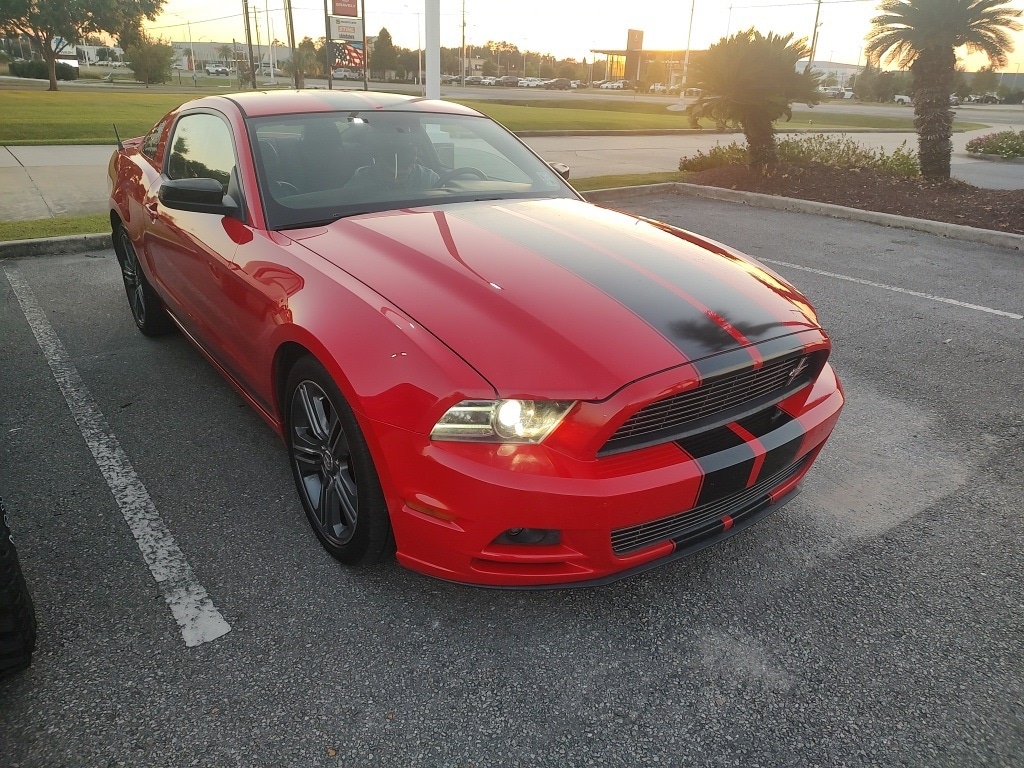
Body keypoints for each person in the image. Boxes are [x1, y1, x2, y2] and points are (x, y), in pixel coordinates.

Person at [347, 139, 440, 192]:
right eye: (396, 146)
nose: (401, 151)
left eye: (408, 146)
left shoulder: (430, 179)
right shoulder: (362, 180)